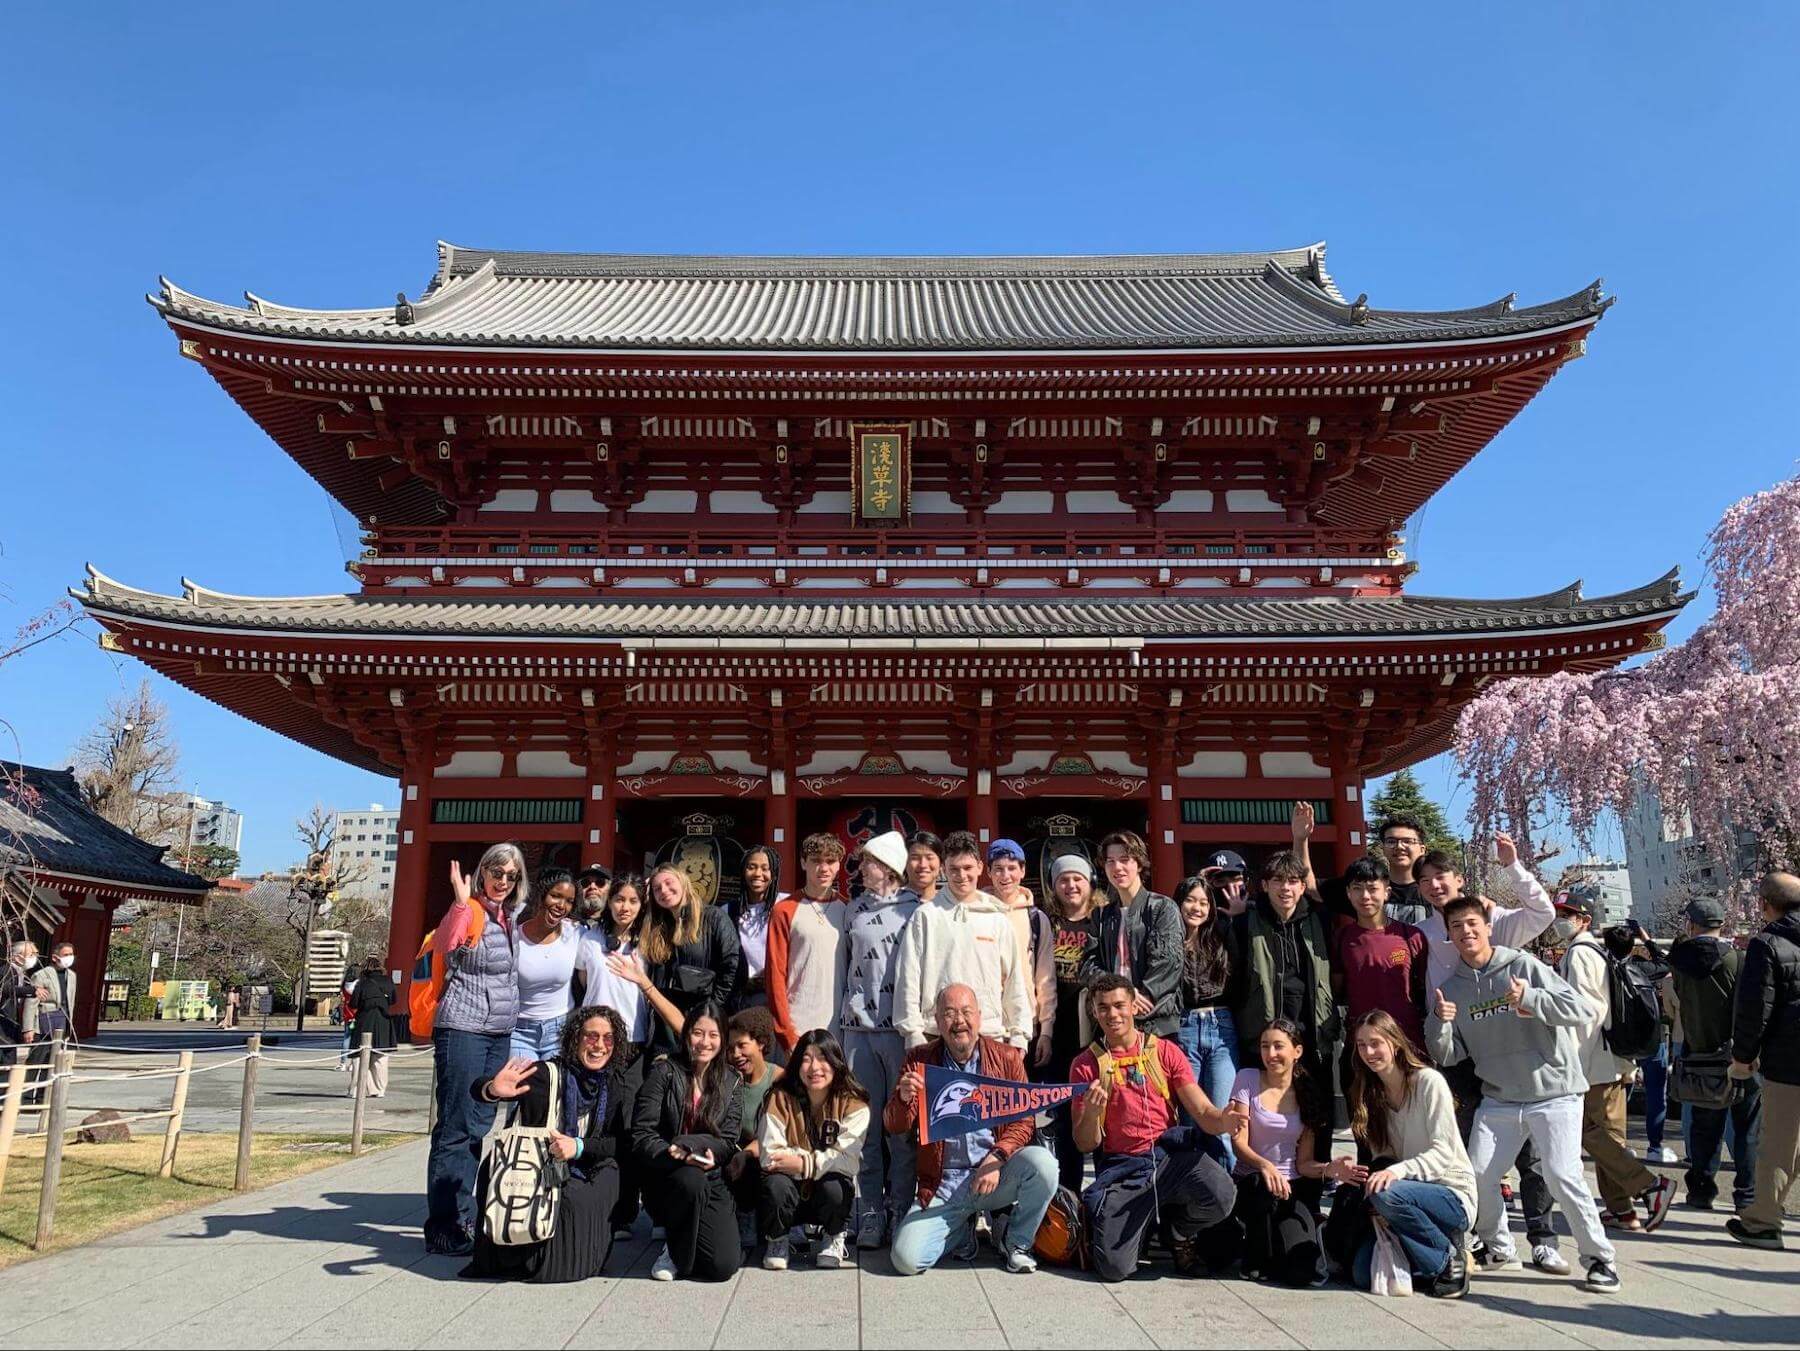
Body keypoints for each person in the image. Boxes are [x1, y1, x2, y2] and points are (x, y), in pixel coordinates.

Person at [1427, 894, 1623, 1292]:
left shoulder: (1523, 966)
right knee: (1477, 1175)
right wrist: (1440, 1022)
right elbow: (1447, 1054)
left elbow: (1584, 1011)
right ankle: (1499, 1247)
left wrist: (1532, 999)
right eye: (1456, 927)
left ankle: (1600, 1260)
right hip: (1499, 1098)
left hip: (1554, 1092)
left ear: (1486, 926)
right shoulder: (1452, 990)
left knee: (1562, 1174)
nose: (1465, 932)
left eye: (1471, 923)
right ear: (1448, 936)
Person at [1071, 973, 1246, 1283]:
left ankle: (1178, 1232)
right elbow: (1085, 1144)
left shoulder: (1163, 1051)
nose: (1112, 1015)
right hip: (1124, 1168)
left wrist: (1224, 1120)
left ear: (1134, 1007)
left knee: (1222, 1195)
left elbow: (1203, 1111)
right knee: (1113, 1268)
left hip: (1169, 1158)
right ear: (1093, 1012)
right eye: (1103, 1008)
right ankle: (1141, 1227)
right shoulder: (1085, 1064)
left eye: (1119, 1005)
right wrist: (1092, 1113)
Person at [886, 983, 1060, 1275]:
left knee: (1044, 1165)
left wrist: (996, 1159)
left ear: (979, 1017)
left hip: (994, 1174)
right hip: (944, 1183)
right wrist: (903, 1099)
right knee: (905, 1259)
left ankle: (1016, 1242)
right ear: (937, 1021)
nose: (959, 1021)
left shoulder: (1006, 1058)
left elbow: (1024, 1120)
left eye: (966, 1012)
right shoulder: (919, 1060)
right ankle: (960, 1229)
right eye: (950, 1014)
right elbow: (894, 1124)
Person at [464, 1005, 634, 1282]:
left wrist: (578, 1146)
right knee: (563, 1195)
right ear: (575, 1038)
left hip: (579, 1164)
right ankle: (527, 1260)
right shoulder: (546, 1074)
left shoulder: (612, 1084)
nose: (599, 1045)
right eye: (591, 1036)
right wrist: (492, 1090)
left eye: (608, 1038)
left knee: (603, 1179)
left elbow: (618, 1143)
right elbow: (479, 1089)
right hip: (532, 1165)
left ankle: (578, 1259)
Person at [1551, 889, 1675, 1232]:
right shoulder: (1595, 951)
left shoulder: (1579, 955)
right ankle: (1622, 1209)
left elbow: (1586, 1012)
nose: (1561, 919)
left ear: (1585, 920)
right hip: (1610, 1059)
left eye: (1568, 914)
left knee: (1589, 1134)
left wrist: (1570, 1062)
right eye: (1559, 912)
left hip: (1593, 1062)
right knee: (1606, 1138)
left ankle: (1649, 1186)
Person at [425, 845, 526, 1255]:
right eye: (496, 872)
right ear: (482, 872)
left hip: (497, 1032)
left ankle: (465, 1214)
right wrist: (460, 902)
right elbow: (447, 945)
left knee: (479, 1125)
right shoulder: (472, 910)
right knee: (454, 1127)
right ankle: (444, 1226)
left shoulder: (509, 918)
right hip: (463, 1028)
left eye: (511, 875)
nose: (503, 881)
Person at [1336, 1010, 1474, 1298]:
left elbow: (1443, 1152)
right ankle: (1430, 1256)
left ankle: (1449, 1258)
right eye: (1361, 1045)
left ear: (1395, 1043)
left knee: (1387, 1193)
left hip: (1450, 1192)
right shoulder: (1372, 1094)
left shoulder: (1428, 1082)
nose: (1368, 1052)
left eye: (1375, 1043)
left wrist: (1394, 1173)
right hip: (1406, 1197)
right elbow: (1384, 1157)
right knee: (1362, 1275)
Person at [840, 829, 922, 1249]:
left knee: (900, 1126)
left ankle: (902, 1209)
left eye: (870, 862)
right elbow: (844, 970)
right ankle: (870, 1209)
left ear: (889, 867)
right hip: (858, 1031)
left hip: (898, 1031)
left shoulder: (916, 911)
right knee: (866, 1127)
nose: (863, 868)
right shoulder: (853, 909)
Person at [894, 830, 1032, 1055]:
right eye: (954, 869)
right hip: (935, 1034)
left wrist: (1019, 1034)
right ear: (943, 870)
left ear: (979, 867)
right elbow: (908, 976)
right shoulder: (926, 916)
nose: (961, 876)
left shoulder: (997, 918)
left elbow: (1014, 979)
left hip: (988, 1033)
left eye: (967, 868)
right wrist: (912, 1033)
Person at [632, 1005, 744, 1282]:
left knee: (722, 1267)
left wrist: (696, 1148)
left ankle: (688, 1241)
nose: (705, 1042)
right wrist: (675, 1152)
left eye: (713, 1035)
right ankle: (673, 1247)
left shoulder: (732, 1080)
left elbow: (728, 1141)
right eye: (697, 1033)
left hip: (711, 1172)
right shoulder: (665, 1071)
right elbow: (642, 1133)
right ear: (686, 1036)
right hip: (668, 1172)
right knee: (689, 1180)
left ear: (722, 1038)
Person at [1667, 897, 1760, 1214]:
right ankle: (1746, 1195)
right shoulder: (1739, 959)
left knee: (1704, 1128)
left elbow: (1679, 998)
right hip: (1737, 1054)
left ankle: (1700, 1191)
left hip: (1699, 1055)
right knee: (1747, 1128)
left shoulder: (1679, 962)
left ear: (1691, 925)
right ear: (1722, 924)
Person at [574, 872, 654, 1239]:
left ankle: (624, 1210)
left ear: (642, 906)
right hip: (594, 1045)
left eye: (633, 901)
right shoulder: (589, 939)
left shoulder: (648, 944)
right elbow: (581, 984)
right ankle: (590, 1200)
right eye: (619, 899)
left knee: (628, 1127)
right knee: (593, 1124)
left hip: (633, 1047)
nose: (625, 907)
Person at [1225, 1019, 1331, 1285]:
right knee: (1262, 1187)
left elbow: (1304, 1164)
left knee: (1301, 1273)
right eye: (1265, 1046)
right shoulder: (1247, 1078)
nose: (1270, 1054)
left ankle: (1281, 1246)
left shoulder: (1307, 1092)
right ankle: (1254, 1253)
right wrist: (1264, 1165)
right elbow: (1239, 1144)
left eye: (1278, 1046)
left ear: (1297, 1051)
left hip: (1289, 1189)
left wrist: (1329, 1169)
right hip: (1252, 1182)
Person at [1727, 871, 1800, 1250]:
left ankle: (1763, 1221)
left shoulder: (1768, 944)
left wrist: (1743, 1057)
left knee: (1778, 1144)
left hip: (1789, 1060)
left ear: (1765, 904)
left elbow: (1756, 1009)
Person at [756, 1029, 869, 1270]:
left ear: (836, 1063)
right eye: (806, 1059)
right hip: (791, 1192)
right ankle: (778, 1238)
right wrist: (819, 1162)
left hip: (826, 1194)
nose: (814, 1067)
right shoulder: (780, 1097)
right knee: (775, 1184)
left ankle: (833, 1235)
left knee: (836, 1187)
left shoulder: (854, 1103)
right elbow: (769, 1156)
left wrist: (802, 1164)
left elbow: (848, 1160)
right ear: (796, 1064)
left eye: (823, 1058)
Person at [1226, 851, 1338, 1088]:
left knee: (1316, 1110)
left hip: (1311, 1030)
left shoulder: (1319, 919)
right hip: (1263, 1032)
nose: (1285, 888)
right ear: (1265, 885)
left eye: (1292, 881)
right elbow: (1233, 980)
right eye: (1277, 880)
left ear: (1301, 886)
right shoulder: (1247, 923)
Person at [1042, 855, 1108, 1190]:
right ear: (1054, 886)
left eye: (1077, 879)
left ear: (1090, 882)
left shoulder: (1103, 921)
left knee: (1101, 1118)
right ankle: (1068, 1205)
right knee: (1067, 1124)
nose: (1071, 886)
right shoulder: (1046, 924)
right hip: (1059, 1036)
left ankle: (1103, 1201)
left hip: (1096, 1038)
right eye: (1063, 880)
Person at [1331, 856, 1428, 1074]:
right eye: (1357, 888)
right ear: (1348, 893)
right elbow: (1336, 989)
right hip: (1362, 1047)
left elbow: (1425, 989)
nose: (1365, 896)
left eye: (1372, 889)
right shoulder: (1342, 939)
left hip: (1408, 1042)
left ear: (1386, 892)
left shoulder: (1410, 936)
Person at [1086, 830, 1183, 1038]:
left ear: (1139, 864)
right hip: (1113, 1020)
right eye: (1110, 861)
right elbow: (1088, 964)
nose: (1117, 867)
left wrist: (1139, 996)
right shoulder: (1101, 915)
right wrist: (1120, 992)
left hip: (1154, 1019)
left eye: (1124, 860)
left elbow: (1168, 962)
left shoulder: (1162, 908)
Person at [1172, 875, 1238, 1170]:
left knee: (1222, 1114)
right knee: (1190, 1117)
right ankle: (1192, 1193)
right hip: (1184, 1026)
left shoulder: (1222, 932)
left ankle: (1229, 1193)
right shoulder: (1167, 938)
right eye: (1190, 900)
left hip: (1221, 1025)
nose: (1197, 908)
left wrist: (1238, 916)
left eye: (1204, 902)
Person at [640, 864, 741, 1056]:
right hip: (665, 1023)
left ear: (683, 882)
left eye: (669, 883)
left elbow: (732, 965)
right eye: (657, 889)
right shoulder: (656, 926)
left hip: (702, 1017)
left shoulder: (713, 917)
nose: (664, 891)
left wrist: (712, 1008)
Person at [765, 832, 849, 1053]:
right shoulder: (784, 910)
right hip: (798, 1024)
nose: (823, 868)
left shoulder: (848, 909)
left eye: (830, 861)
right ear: (803, 863)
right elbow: (775, 975)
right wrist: (786, 1032)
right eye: (816, 861)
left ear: (839, 865)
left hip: (839, 1027)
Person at [986, 838, 1056, 1073]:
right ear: (988, 872)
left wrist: (1046, 1030)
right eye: (998, 869)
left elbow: (1045, 978)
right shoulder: (976, 912)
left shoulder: (1036, 919)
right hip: (986, 1023)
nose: (1005, 876)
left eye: (1012, 868)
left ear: (1023, 870)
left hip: (1026, 1025)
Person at [723, 1005, 781, 1248]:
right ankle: (744, 1214)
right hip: (736, 1159)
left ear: (761, 1043)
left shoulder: (778, 1078)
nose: (736, 1054)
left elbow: (779, 1131)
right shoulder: (726, 1077)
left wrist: (748, 1152)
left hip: (767, 1153)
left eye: (742, 1045)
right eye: (730, 1048)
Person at [511, 866, 582, 1060]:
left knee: (555, 1087)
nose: (562, 905)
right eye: (555, 896)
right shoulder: (514, 938)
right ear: (541, 894)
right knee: (524, 1087)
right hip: (520, 1031)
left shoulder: (576, 933)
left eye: (569, 901)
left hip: (560, 1029)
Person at [731, 845, 779, 1011]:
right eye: (751, 867)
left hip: (778, 994)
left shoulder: (784, 906)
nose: (758, 874)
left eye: (765, 868)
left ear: (773, 875)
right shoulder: (729, 911)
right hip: (742, 997)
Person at [1369, 815, 1435, 928]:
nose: (1399, 846)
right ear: (1383, 848)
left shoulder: (1435, 890)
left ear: (1422, 849)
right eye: (1391, 841)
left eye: (1407, 841)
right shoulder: (1370, 891)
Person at [346, 956, 396, 1098]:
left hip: (365, 1020)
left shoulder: (362, 983)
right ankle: (380, 1089)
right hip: (383, 1021)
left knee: (359, 1056)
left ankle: (357, 1089)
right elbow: (394, 999)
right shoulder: (388, 981)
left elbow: (354, 1003)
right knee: (380, 1057)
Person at [1, 941, 38, 1070]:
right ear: (17, 957)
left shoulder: (22, 974)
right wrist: (31, 991)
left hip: (11, 1027)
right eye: (31, 954)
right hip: (3, 1024)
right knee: (5, 1064)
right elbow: (5, 989)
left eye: (36, 954)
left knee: (10, 1064)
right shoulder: (6, 971)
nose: (34, 958)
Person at [1199, 850, 1250, 918]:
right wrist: (1198, 884)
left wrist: (1240, 917)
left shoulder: (1260, 912)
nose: (1230, 886)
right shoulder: (1201, 914)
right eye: (1221, 881)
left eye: (1235, 879)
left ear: (1246, 881)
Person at [905, 831, 946, 900]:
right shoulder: (888, 904)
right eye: (915, 858)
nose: (923, 865)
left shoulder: (951, 905)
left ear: (941, 864)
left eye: (929, 858)